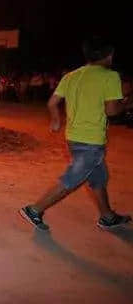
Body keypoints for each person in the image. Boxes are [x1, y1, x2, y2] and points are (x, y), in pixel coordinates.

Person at [20, 37, 133, 231]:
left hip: (73, 138)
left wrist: (56, 120)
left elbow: (52, 103)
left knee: (98, 179)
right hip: (91, 141)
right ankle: (34, 210)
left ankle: (107, 216)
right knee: (71, 179)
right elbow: (112, 111)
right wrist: (126, 103)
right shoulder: (110, 76)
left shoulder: (71, 76)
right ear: (109, 55)